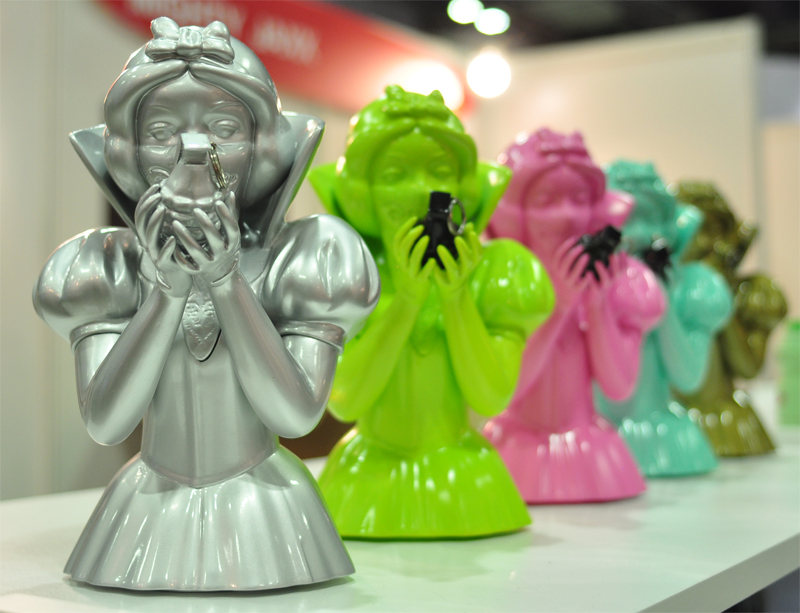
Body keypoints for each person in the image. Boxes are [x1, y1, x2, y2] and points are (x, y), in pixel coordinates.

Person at [33, 17, 378, 591]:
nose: (195, 149)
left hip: (264, 509)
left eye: (223, 127)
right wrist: (166, 293)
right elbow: (107, 421)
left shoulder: (307, 258)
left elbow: (294, 416)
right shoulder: (104, 269)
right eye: (161, 130)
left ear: (263, 146)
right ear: (129, 150)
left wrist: (225, 282)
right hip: (147, 508)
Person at [309, 86, 554, 538]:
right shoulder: (343, 273)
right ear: (363, 192)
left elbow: (491, 397)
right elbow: (346, 400)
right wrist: (405, 300)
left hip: (466, 480)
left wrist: (456, 299)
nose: (422, 189)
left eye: (439, 171)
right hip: (365, 481)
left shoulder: (495, 272)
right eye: (395, 174)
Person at [483, 129, 664, 503]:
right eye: (545, 201)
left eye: (579, 199)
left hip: (591, 455)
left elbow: (618, 387)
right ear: (516, 212)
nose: (566, 215)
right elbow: (502, 390)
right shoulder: (501, 280)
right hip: (515, 452)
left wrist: (596, 306)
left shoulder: (620, 281)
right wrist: (562, 306)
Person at [596, 162, 732, 476]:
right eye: (625, 219)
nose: (637, 234)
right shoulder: (588, 288)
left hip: (664, 437)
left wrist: (663, 303)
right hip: (604, 434)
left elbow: (688, 377)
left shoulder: (691, 289)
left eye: (650, 218)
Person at [673, 181, 787, 455]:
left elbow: (748, 368)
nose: (697, 242)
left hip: (724, 423)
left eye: (708, 230)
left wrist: (718, 298)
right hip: (674, 421)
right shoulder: (662, 292)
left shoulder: (748, 294)